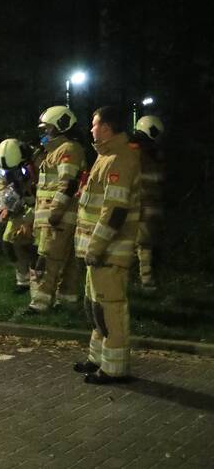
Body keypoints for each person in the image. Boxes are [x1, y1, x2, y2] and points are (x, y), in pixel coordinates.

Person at [73, 106, 141, 384]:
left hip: (109, 251)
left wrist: (96, 247)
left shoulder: (120, 159)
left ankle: (115, 369)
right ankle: (98, 359)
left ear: (108, 128)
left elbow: (115, 211)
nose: (91, 129)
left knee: (110, 308)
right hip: (98, 251)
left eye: (95, 124)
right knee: (96, 307)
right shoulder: (106, 157)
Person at [26, 106, 87, 314]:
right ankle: (67, 300)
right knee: (67, 260)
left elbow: (68, 184)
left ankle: (40, 304)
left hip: (60, 217)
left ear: (61, 127)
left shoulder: (68, 150)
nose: (45, 133)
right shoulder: (55, 151)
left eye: (48, 129)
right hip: (59, 217)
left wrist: (56, 212)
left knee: (48, 258)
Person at [0, 138, 38, 294]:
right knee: (9, 242)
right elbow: (4, 190)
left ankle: (37, 283)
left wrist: (30, 218)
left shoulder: (37, 162)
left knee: (34, 246)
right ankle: (23, 280)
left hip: (41, 208)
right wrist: (5, 207)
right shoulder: (6, 169)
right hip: (18, 209)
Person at [132, 115, 165, 291]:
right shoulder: (155, 156)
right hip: (150, 207)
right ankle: (147, 281)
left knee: (142, 245)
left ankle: (146, 281)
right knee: (145, 246)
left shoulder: (134, 153)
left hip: (139, 206)